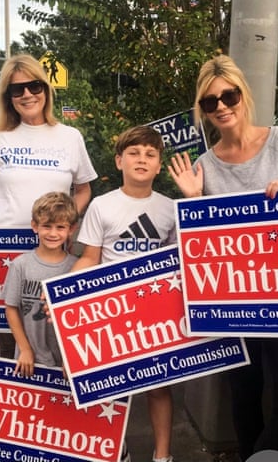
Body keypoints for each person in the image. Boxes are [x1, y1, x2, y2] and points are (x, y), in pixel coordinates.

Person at [168, 54, 278, 461]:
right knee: (244, 398)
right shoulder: (204, 167)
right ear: (203, 111)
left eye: (229, 95)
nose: (222, 106)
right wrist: (191, 202)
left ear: (243, 95)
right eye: (210, 102)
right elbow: (193, 248)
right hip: (233, 306)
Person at [0, 54, 97, 358]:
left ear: (45, 89)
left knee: (52, 330)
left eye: (33, 86)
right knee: (10, 336)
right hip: (4, 250)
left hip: (51, 253)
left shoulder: (69, 137)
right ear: (8, 98)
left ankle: (46, 404)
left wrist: (66, 223)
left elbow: (85, 187)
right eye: (16, 90)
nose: (26, 95)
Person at [73, 125, 177, 462]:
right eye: (133, 153)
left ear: (159, 165)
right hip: (111, 311)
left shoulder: (169, 209)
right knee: (110, 387)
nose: (141, 160)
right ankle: (115, 449)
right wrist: (61, 293)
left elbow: (178, 264)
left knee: (159, 387)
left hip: (155, 311)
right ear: (119, 161)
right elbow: (90, 258)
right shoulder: (102, 206)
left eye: (150, 154)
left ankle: (162, 455)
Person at [2, 191, 79, 376]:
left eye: (60, 227)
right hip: (29, 359)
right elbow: (11, 307)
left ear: (71, 229)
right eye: (47, 226)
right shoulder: (21, 265)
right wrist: (25, 349)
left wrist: (75, 358)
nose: (53, 233)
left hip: (66, 361)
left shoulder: (76, 267)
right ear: (35, 226)